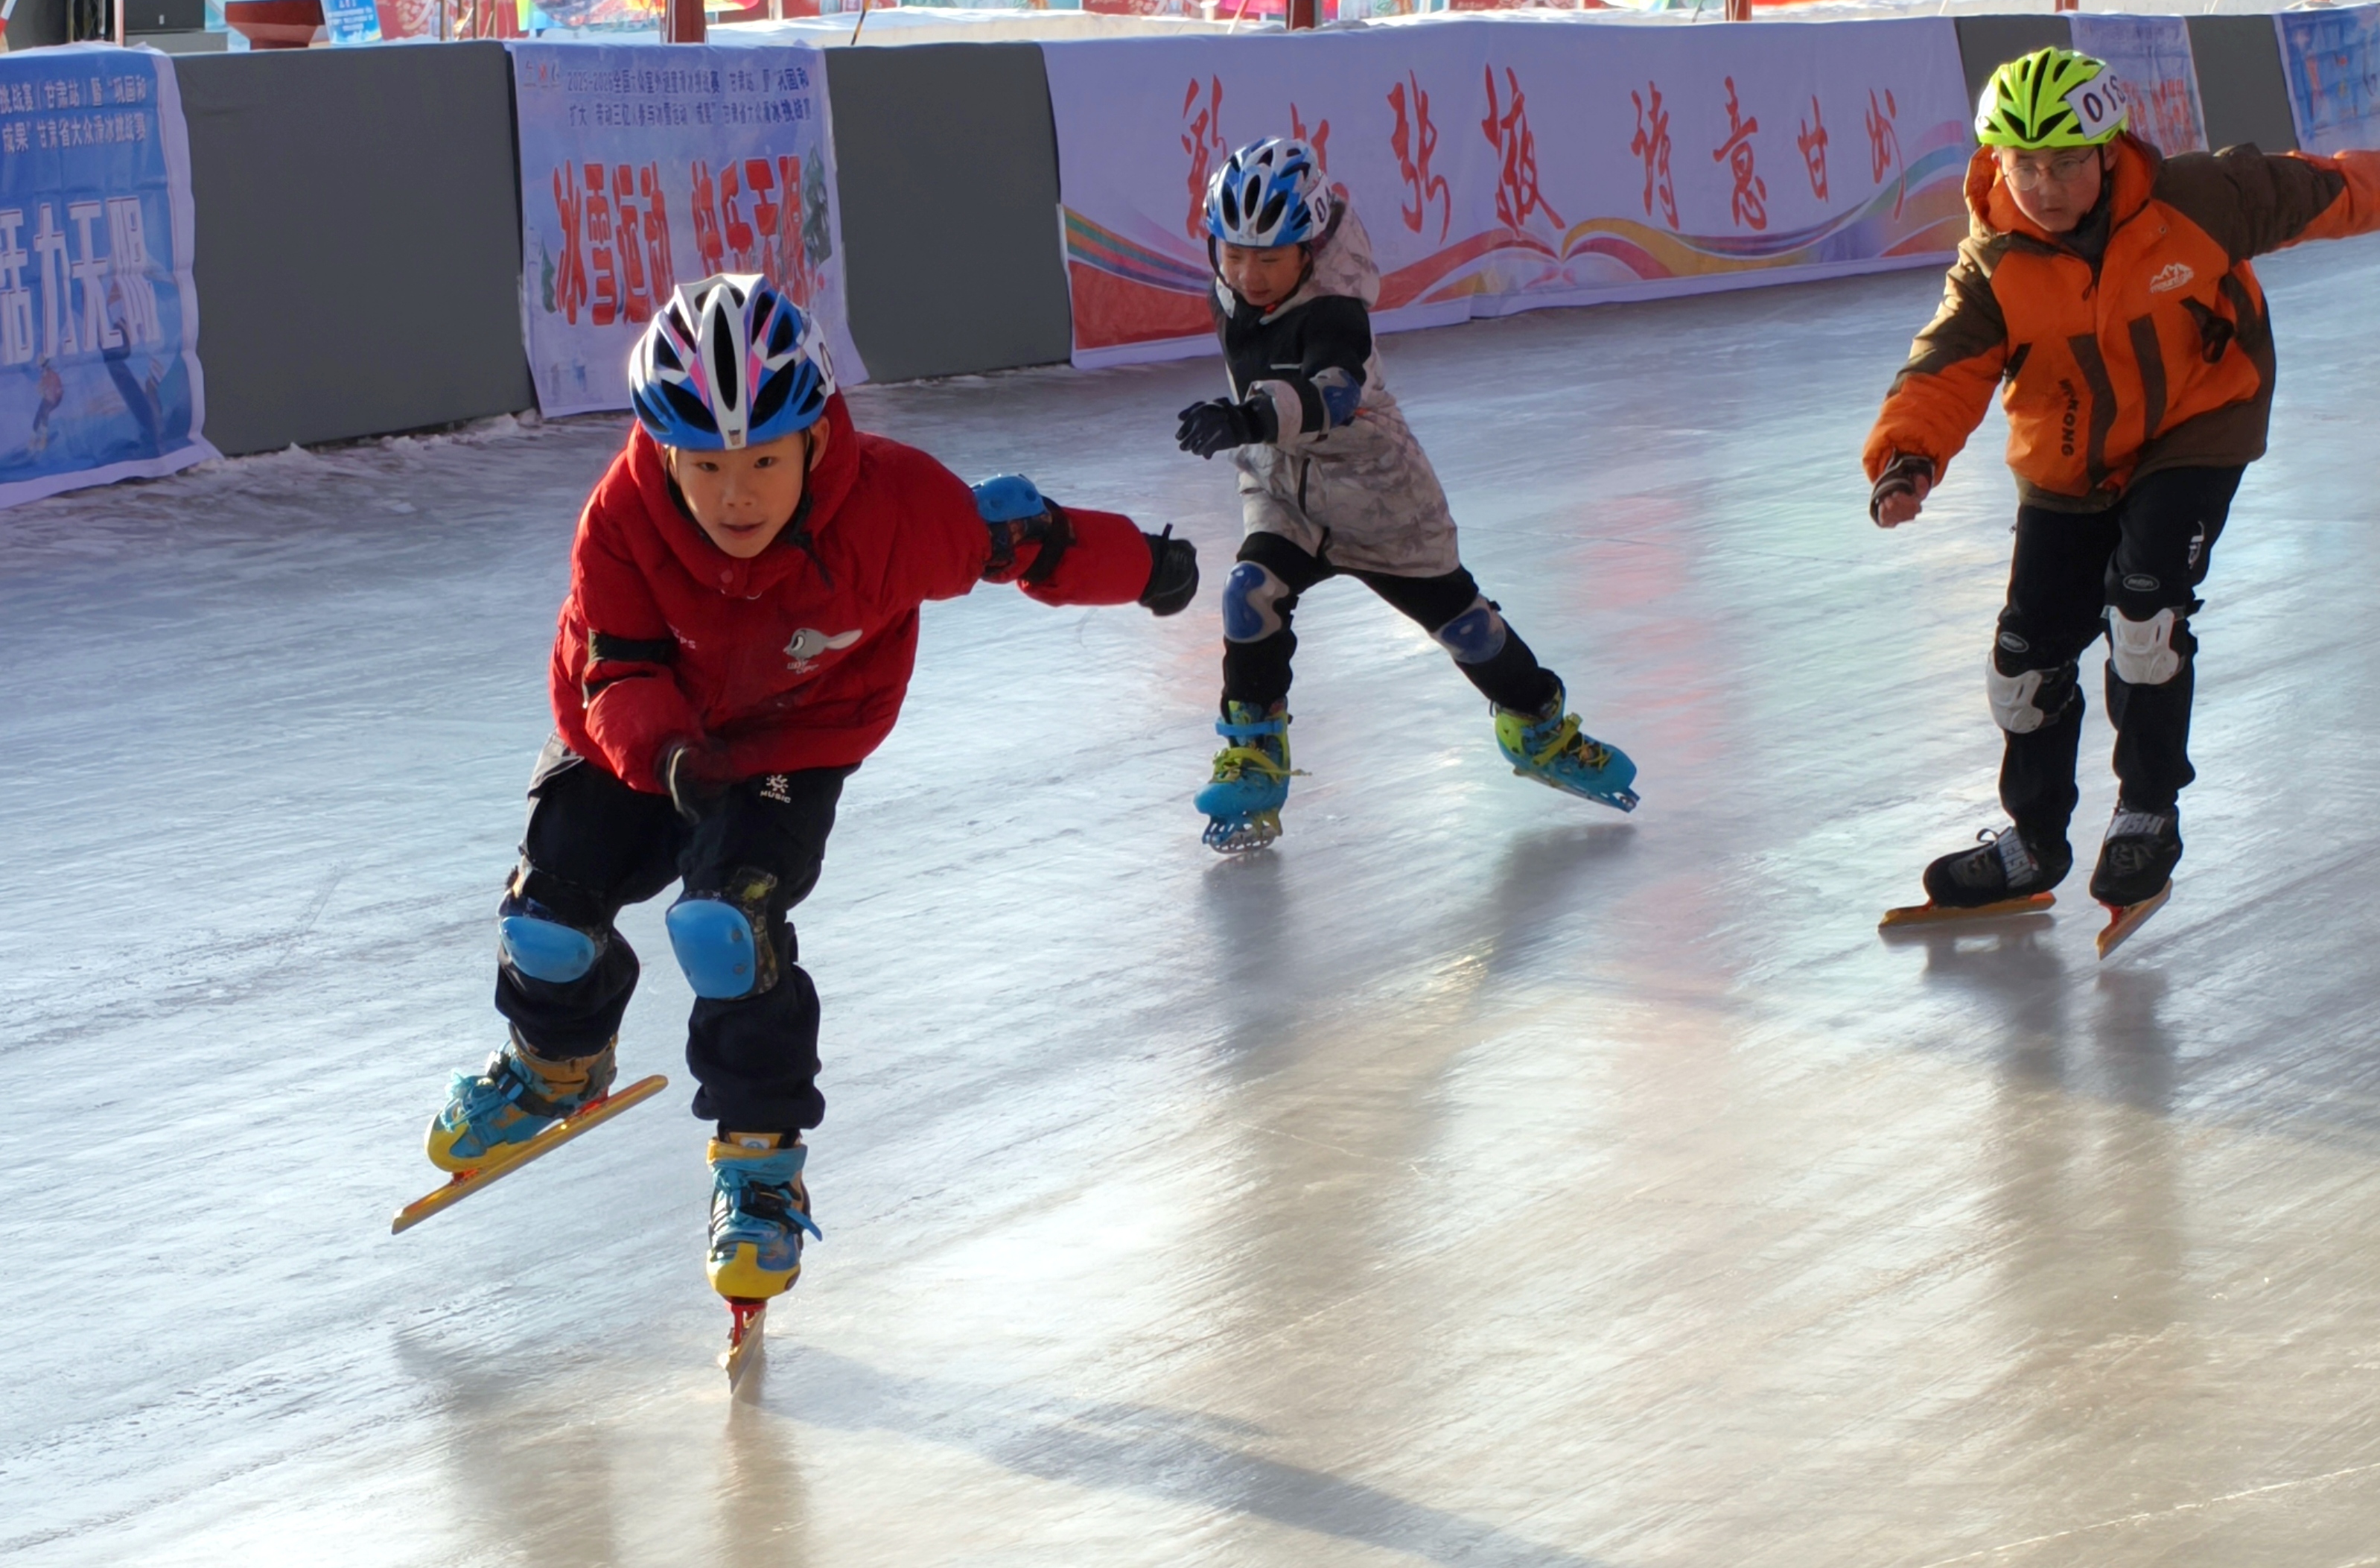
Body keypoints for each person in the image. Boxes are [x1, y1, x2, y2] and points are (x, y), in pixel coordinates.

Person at [421, 273, 1197, 1305]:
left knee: (725, 930)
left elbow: (1028, 537)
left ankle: (760, 1165)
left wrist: (1145, 566)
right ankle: (555, 1060)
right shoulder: (620, 520)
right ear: (662, 452)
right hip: (638, 738)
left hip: (795, 741)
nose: (734, 493)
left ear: (816, 445)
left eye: (763, 462)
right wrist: (664, 758)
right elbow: (615, 669)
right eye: (704, 464)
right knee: (546, 923)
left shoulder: (894, 511)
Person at [1866, 48, 2379, 917]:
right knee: (2022, 668)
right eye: (2023, 162)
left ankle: (2146, 809)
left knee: (2144, 610)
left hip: (2196, 428)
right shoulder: (1993, 263)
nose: (2043, 184)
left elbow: (2332, 188)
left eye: (2065, 160)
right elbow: (1943, 368)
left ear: (2109, 151)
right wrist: (1906, 457)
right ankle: (2033, 842)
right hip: (2069, 463)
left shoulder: (2200, 200)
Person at [1174, 136, 1638, 851]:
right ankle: (1256, 756)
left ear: (1311, 247)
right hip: (1284, 491)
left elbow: (1332, 392)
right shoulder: (1225, 290)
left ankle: (1539, 726)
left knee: (1468, 628)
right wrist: (1253, 430)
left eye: (1269, 258)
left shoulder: (1337, 314)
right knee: (1248, 594)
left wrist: (1246, 417)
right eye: (1234, 254)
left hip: (1378, 497)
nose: (1250, 274)